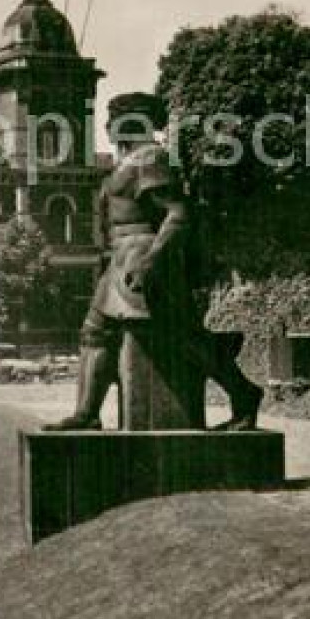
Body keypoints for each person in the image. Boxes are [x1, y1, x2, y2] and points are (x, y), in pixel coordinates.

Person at [44, 92, 263, 432]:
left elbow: (178, 213)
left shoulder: (149, 158)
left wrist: (150, 262)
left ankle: (245, 394)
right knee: (95, 334)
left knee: (184, 337)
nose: (109, 127)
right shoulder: (128, 161)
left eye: (116, 120)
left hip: (144, 257)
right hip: (120, 259)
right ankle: (87, 413)